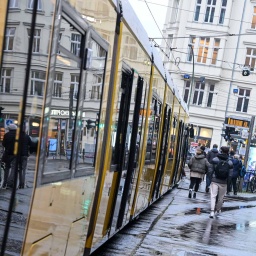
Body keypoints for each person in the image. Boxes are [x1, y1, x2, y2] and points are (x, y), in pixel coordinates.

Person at [209, 146, 233, 218]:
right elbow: (230, 175)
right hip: (224, 182)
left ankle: (212, 211)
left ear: (220, 151)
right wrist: (228, 184)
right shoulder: (230, 162)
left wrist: (210, 179)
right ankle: (218, 210)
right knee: (221, 198)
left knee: (213, 196)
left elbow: (210, 170)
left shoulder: (215, 159)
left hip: (215, 180)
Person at [2, 124, 17, 189]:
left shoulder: (6, 135)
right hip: (15, 154)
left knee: (7, 168)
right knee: (13, 168)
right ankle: (9, 183)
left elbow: (3, 144)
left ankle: (4, 183)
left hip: (7, 154)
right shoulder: (17, 136)